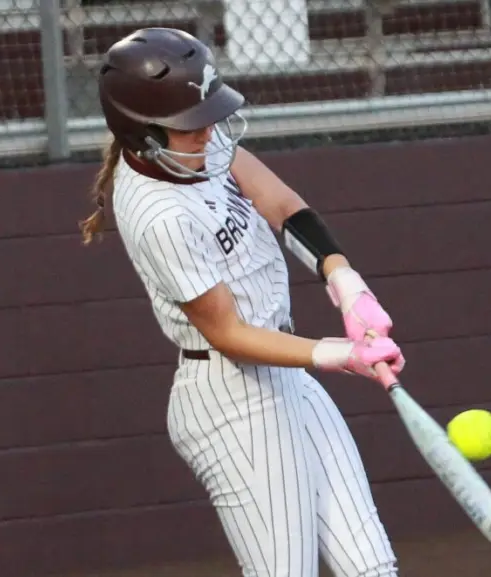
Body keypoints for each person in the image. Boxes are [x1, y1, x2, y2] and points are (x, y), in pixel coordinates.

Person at [78, 27, 406, 577]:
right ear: (143, 134)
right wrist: (340, 354)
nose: (208, 133)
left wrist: (346, 282)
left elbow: (281, 204)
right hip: (231, 399)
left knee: (371, 568)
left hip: (284, 373)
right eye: (190, 125)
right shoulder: (159, 215)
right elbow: (227, 333)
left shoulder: (194, 146)